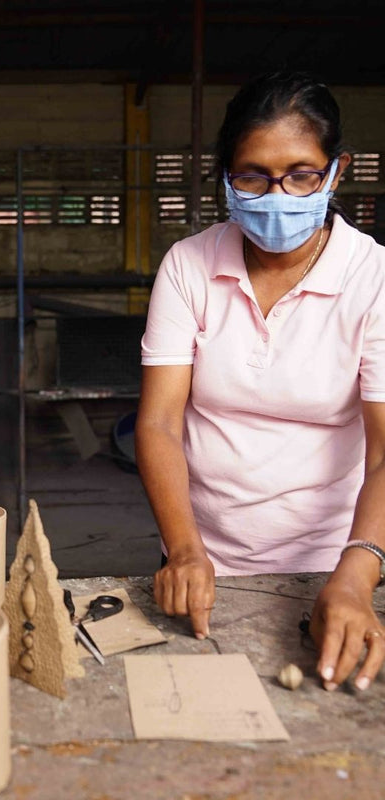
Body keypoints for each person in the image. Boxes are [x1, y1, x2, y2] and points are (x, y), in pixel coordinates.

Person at [136, 71, 385, 693]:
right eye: (252, 175)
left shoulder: (373, 278)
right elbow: (161, 422)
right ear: (224, 175)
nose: (277, 195)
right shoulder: (189, 265)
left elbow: (384, 450)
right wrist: (184, 550)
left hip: (330, 565)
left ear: (336, 171)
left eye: (301, 174)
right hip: (202, 556)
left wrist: (356, 575)